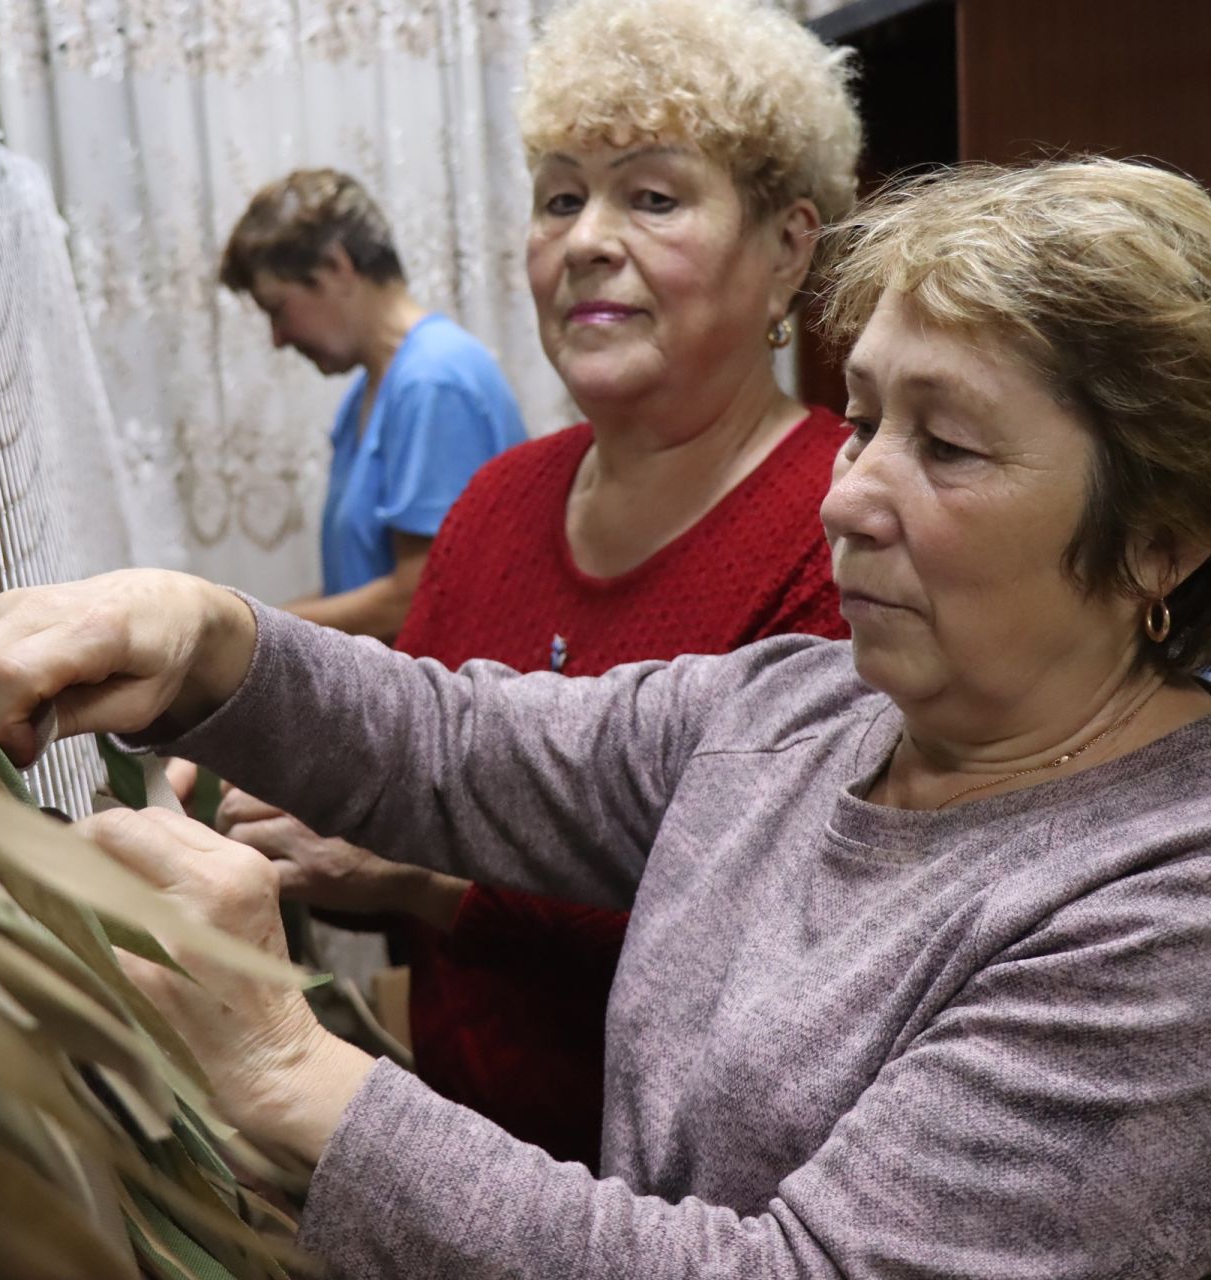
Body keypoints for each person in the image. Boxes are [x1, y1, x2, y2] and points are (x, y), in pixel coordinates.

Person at [0, 159, 1211, 1277]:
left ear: (1165, 540)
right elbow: (458, 748)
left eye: (944, 446)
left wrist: (290, 1078)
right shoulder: (804, 708)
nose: (847, 493)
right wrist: (208, 642)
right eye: (866, 417)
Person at [211, 0, 862, 1168]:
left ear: (789, 247)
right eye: (561, 197)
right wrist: (289, 807)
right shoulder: (496, 504)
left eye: (652, 197)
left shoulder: (844, 537)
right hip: (453, 1167)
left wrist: (425, 880)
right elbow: (393, 804)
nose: (586, 240)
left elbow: (780, 961)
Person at [219, 168, 526, 641]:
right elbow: (361, 585)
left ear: (336, 267)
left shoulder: (433, 382)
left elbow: (415, 598)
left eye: (278, 308)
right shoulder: (370, 393)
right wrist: (228, 621)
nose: (277, 339)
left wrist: (244, 631)